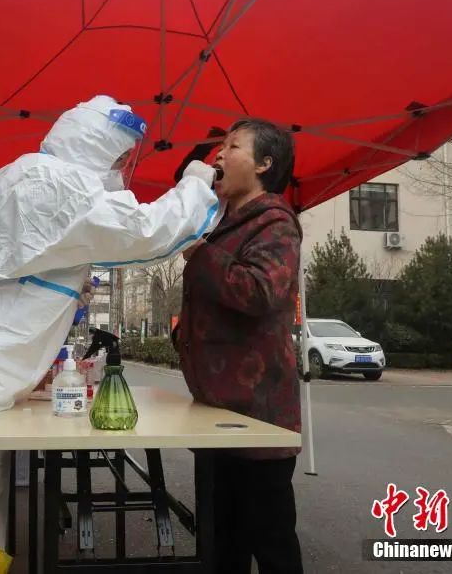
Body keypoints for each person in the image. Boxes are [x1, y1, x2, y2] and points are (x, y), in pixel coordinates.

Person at [0, 95, 221, 554]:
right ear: (99, 148)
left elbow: (20, 264)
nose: (123, 170)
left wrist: (63, 289)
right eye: (121, 159)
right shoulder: (56, 183)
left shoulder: (31, 173)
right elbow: (145, 231)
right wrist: (196, 184)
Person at [173, 118, 303, 573]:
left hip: (257, 419)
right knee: (220, 543)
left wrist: (200, 253)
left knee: (271, 544)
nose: (219, 155)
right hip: (216, 414)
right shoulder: (223, 223)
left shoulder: (275, 222)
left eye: (233, 146)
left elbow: (260, 292)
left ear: (264, 163)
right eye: (220, 147)